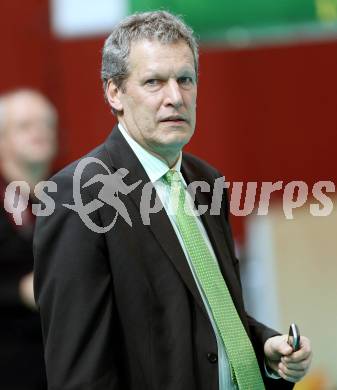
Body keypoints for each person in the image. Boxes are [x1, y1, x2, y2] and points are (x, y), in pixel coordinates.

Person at [33, 11, 312, 390]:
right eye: (154, 82)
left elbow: (205, 313)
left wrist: (264, 346)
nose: (175, 97)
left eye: (185, 79)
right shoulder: (77, 196)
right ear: (114, 92)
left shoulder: (206, 181)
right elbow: (80, 371)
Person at [0, 89, 57, 389]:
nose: (40, 132)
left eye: (47, 124)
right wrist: (20, 290)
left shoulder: (76, 201)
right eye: (25, 126)